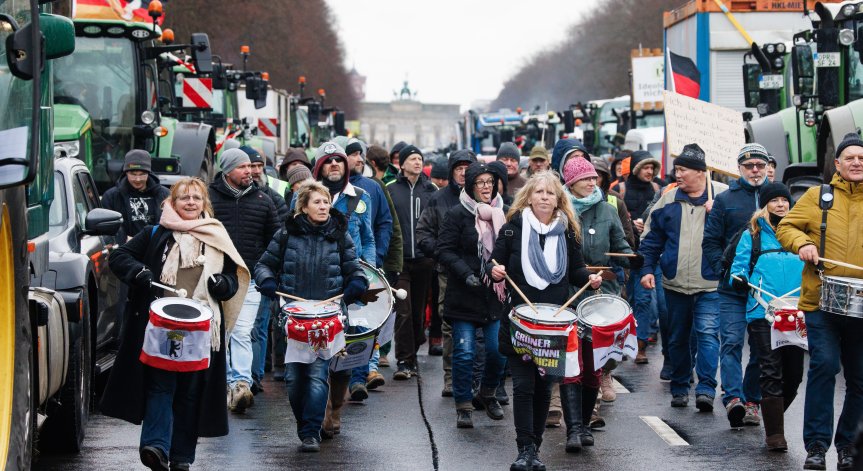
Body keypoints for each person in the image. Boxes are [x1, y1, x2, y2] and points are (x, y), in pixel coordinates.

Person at [102, 177, 248, 470]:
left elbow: (233, 277)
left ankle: (182, 457)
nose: (190, 203)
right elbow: (119, 257)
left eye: (196, 198)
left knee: (190, 392)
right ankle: (156, 447)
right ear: (172, 202)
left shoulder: (217, 236)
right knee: (160, 385)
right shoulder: (155, 232)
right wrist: (139, 272)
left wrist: (223, 285)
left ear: (204, 203)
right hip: (161, 326)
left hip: (203, 330)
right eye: (184, 198)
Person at [490, 172, 602, 470]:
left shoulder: (567, 232)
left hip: (553, 326)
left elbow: (576, 270)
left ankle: (534, 448)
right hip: (520, 321)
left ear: (558, 200)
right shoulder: (513, 228)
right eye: (538, 192)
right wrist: (494, 270)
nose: (543, 197)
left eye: (550, 193)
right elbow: (493, 261)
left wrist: (589, 278)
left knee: (543, 388)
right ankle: (524, 448)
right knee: (524, 387)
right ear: (528, 196)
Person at [254, 181, 368, 452]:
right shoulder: (286, 234)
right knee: (294, 379)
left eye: (326, 201)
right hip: (293, 316)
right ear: (303, 207)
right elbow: (263, 265)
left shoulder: (340, 235)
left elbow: (355, 269)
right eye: (317, 202)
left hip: (327, 318)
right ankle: (304, 422)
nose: (323, 206)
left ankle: (310, 433)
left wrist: (356, 284)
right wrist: (268, 282)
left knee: (317, 375)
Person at [776, 132, 863, 471]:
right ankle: (815, 446)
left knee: (859, 379)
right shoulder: (817, 196)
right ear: (838, 164)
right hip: (821, 301)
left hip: (861, 305)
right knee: (825, 366)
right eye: (850, 158)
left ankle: (848, 447)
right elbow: (786, 228)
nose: (857, 163)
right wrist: (802, 244)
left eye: (862, 158)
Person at [638, 143, 728, 410]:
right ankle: (679, 387)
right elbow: (651, 240)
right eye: (676, 169)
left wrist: (718, 216)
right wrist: (646, 270)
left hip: (711, 284)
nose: (677, 174)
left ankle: (706, 389)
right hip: (674, 283)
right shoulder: (668, 199)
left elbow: (742, 233)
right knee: (677, 337)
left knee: (708, 334)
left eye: (683, 169)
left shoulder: (722, 198)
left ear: (701, 172)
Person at [561, 156, 640, 445]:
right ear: (571, 183)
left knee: (594, 358)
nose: (593, 183)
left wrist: (631, 261)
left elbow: (622, 247)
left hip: (602, 291)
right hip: (570, 290)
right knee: (573, 358)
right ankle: (569, 417)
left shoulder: (607, 210)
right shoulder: (561, 212)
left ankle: (587, 415)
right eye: (586, 179)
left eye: (594, 178)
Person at [728, 182, 803, 452]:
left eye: (785, 200)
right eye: (775, 200)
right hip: (763, 312)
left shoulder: (801, 233)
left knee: (794, 374)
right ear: (766, 205)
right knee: (770, 369)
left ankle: (773, 416)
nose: (781, 204)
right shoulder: (753, 234)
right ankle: (775, 435)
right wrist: (738, 279)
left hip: (796, 312)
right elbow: (738, 267)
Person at [702, 143, 770, 428]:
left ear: (767, 167)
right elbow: (711, 240)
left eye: (760, 165)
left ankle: (752, 400)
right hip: (732, 288)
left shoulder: (778, 198)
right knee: (730, 341)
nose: (755, 170)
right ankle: (733, 397)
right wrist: (723, 269)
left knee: (761, 347)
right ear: (739, 168)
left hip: (765, 290)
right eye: (749, 165)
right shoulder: (726, 199)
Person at [209, 148, 280, 413]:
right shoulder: (209, 197)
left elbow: (276, 239)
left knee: (241, 331)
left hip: (250, 278)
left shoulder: (263, 200)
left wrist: (268, 269)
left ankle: (240, 383)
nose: (249, 171)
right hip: (216, 278)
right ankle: (225, 383)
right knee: (222, 332)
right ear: (227, 171)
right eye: (242, 167)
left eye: (250, 166)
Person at [437, 162, 508, 428]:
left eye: (490, 182)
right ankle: (463, 405)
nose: (486, 187)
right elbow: (444, 250)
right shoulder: (457, 214)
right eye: (480, 182)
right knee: (465, 352)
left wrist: (501, 269)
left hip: (493, 295)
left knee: (497, 351)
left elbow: (508, 250)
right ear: (470, 186)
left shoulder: (504, 213)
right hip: (464, 293)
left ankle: (488, 393)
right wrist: (466, 272)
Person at [416, 149, 477, 395]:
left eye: (467, 168)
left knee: (481, 326)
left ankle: (477, 378)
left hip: (481, 273)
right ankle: (452, 377)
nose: (463, 173)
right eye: (458, 168)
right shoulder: (438, 199)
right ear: (451, 171)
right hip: (448, 273)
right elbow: (423, 233)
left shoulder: (486, 197)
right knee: (450, 324)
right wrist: (442, 252)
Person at [386, 144, 438, 379]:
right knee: (404, 311)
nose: (417, 162)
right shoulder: (390, 189)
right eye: (413, 159)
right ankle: (404, 361)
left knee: (417, 313)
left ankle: (413, 352)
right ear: (402, 163)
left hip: (425, 260)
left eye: (420, 158)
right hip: (400, 261)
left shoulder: (432, 190)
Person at [364, 145, 404, 370]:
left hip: (376, 260)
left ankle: (376, 357)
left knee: (380, 309)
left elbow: (389, 226)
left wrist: (388, 260)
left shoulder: (377, 187)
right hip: (368, 259)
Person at [311, 142, 376, 264]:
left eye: (338, 160)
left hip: (350, 275)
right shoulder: (302, 197)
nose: (334, 164)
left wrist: (369, 272)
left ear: (345, 165)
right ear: (319, 168)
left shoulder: (362, 197)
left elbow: (367, 240)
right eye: (328, 161)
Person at [101, 149, 171, 243]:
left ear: (148, 173)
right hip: (125, 250)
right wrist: (124, 239)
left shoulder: (165, 194)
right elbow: (108, 228)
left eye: (142, 174)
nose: (138, 179)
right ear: (126, 173)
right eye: (133, 174)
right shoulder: (111, 197)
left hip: (157, 248)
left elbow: (171, 222)